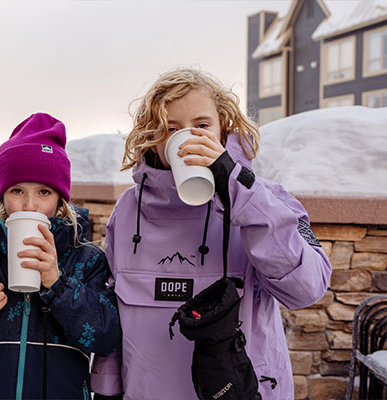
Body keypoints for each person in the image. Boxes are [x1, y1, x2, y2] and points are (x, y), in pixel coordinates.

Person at [90, 68, 332, 400]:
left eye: (202, 126)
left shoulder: (267, 200)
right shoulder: (129, 210)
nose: (188, 138)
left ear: (223, 129)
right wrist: (106, 390)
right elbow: (113, 304)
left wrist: (237, 190)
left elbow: (306, 289)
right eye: (171, 128)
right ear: (153, 136)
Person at [0, 112, 121, 400]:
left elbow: (108, 338)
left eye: (44, 192)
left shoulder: (86, 259)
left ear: (60, 198)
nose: (31, 205)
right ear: (2, 196)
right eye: (17, 190)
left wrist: (58, 283)